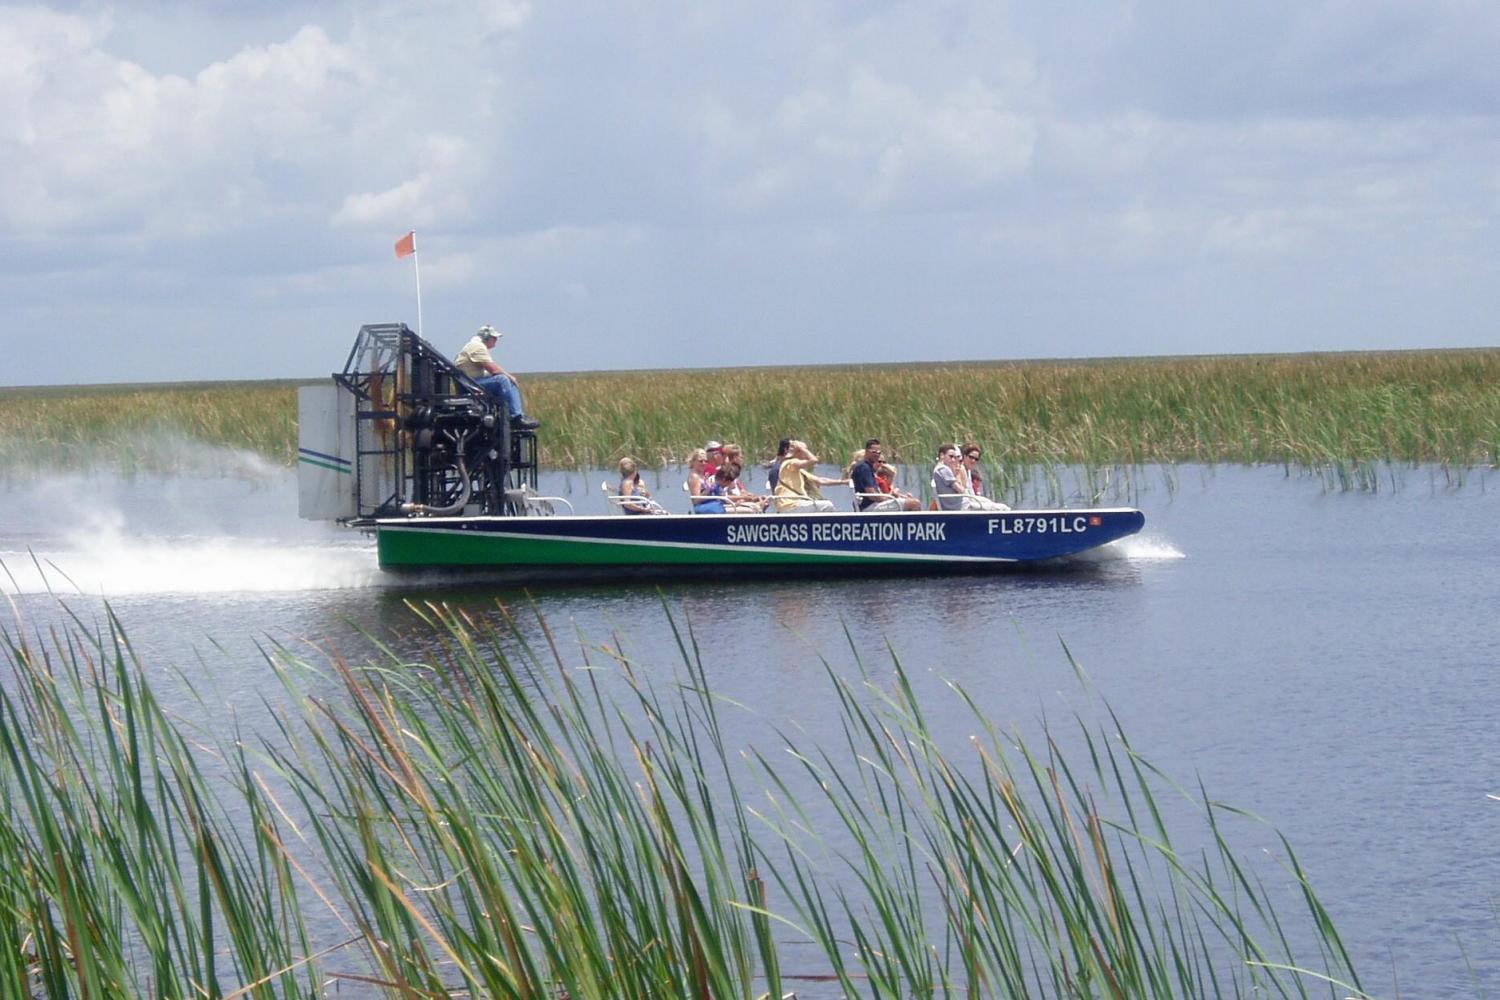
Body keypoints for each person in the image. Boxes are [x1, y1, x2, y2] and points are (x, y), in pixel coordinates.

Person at [454, 325, 538, 429]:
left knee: (506, 380)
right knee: (502, 380)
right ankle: (515, 417)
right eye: (494, 338)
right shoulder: (477, 347)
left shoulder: (474, 346)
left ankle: (518, 415)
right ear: (486, 337)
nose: (496, 340)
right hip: (469, 386)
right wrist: (510, 377)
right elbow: (494, 370)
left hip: (471, 382)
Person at [773, 440, 844, 513]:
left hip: (793, 505)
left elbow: (820, 480)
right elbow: (814, 460)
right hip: (791, 505)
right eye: (805, 451)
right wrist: (803, 449)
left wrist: (843, 482)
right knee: (828, 505)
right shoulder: (791, 463)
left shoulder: (798, 471)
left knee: (822, 505)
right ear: (799, 451)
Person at [851, 439, 920, 511]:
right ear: (866, 451)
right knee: (914, 503)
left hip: (873, 505)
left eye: (878, 452)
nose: (876, 454)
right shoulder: (864, 468)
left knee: (908, 501)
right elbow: (872, 495)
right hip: (869, 507)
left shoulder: (868, 467)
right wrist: (889, 499)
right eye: (873, 452)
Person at [937, 443, 1008, 511]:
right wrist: (957, 474)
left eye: (976, 459)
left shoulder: (947, 469)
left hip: (965, 502)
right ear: (942, 455)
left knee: (989, 502)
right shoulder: (943, 469)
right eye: (951, 457)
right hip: (963, 506)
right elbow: (961, 490)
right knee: (1003, 508)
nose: (954, 460)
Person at [960, 443, 1009, 510]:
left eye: (976, 459)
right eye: (971, 457)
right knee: (1002, 508)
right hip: (965, 504)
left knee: (993, 503)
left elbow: (971, 494)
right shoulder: (960, 469)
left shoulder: (968, 471)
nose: (973, 461)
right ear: (964, 456)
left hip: (971, 500)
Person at [686, 448, 727, 513]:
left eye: (705, 461)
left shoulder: (702, 475)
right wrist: (709, 489)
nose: (704, 463)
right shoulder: (694, 477)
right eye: (701, 461)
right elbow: (696, 500)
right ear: (693, 461)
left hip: (711, 504)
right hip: (704, 508)